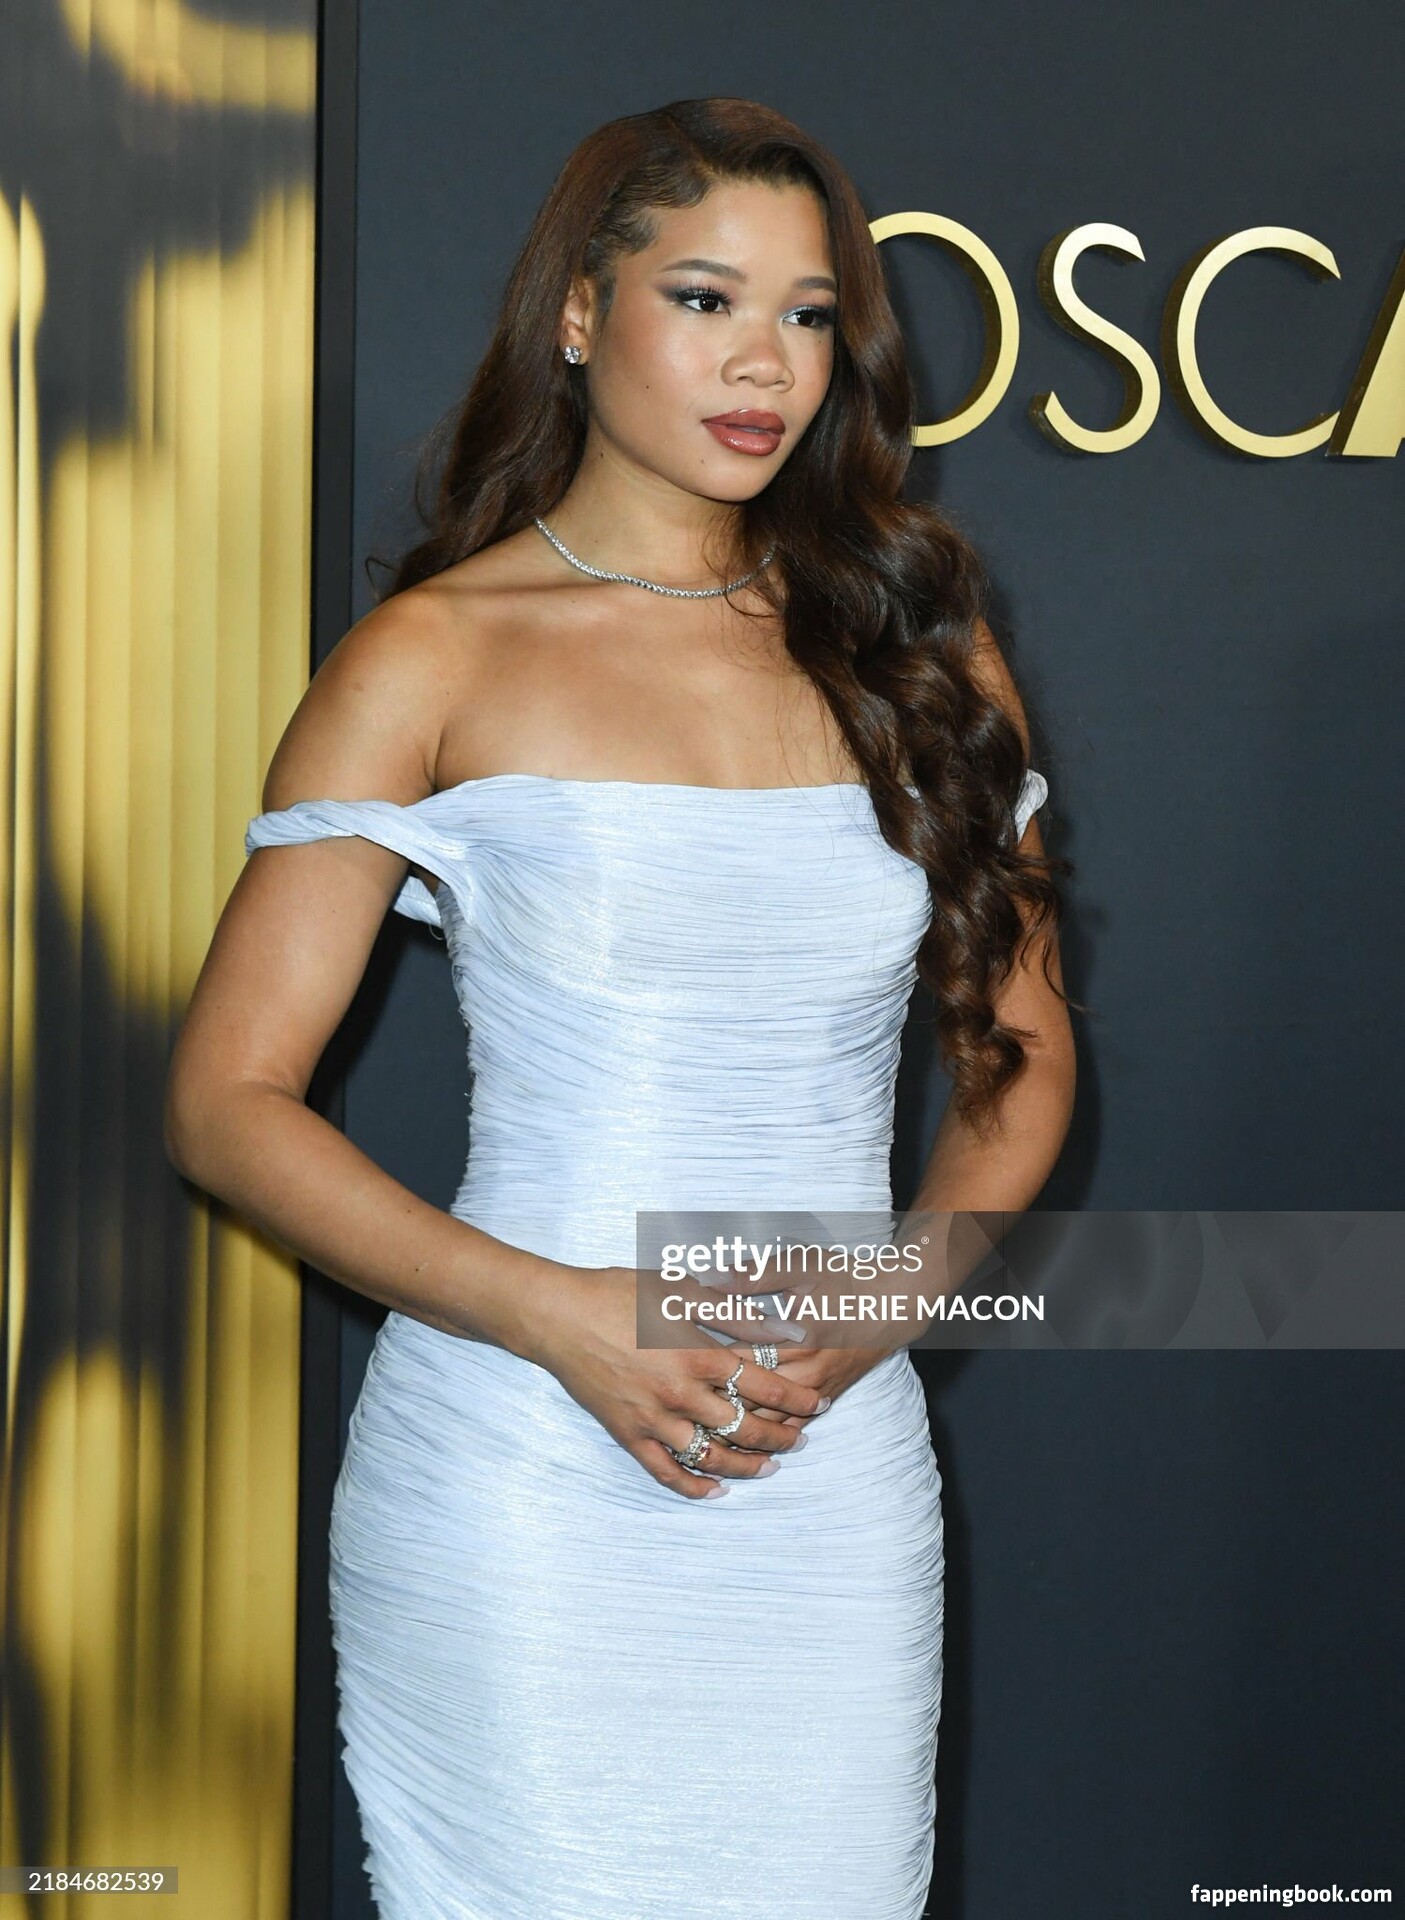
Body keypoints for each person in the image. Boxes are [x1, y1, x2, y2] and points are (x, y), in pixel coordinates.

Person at [165, 95, 1075, 1920]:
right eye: (705, 299)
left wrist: (876, 1311)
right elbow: (226, 1099)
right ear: (579, 314)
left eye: (806, 315)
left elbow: (1021, 1061)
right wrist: (564, 1318)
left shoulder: (918, 640)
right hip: (522, 1457)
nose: (765, 364)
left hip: (825, 1464)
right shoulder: (434, 653)